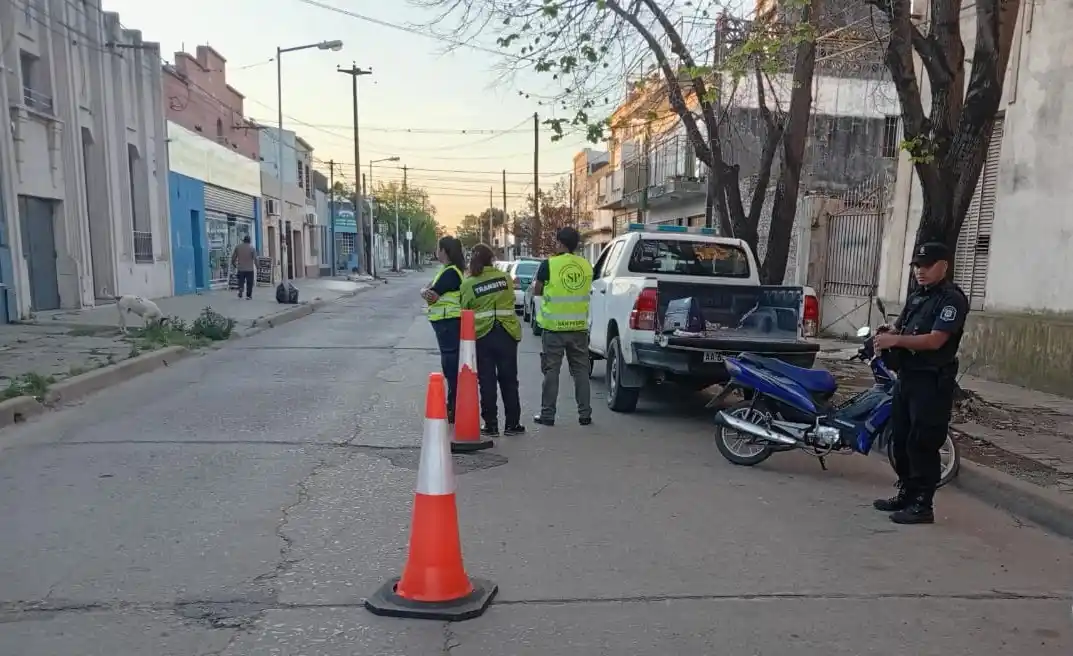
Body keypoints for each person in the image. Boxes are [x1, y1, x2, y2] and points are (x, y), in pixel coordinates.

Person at [872, 241, 968, 525]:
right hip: (908, 377)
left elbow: (935, 339)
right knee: (900, 439)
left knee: (922, 442)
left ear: (944, 266)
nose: (920, 271)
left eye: (927, 266)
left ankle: (923, 505)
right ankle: (907, 493)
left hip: (932, 380)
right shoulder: (918, 297)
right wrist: (889, 331)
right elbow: (901, 326)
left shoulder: (952, 299)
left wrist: (896, 340)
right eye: (917, 266)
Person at [460, 244, 525, 437]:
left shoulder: (468, 284)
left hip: (482, 335)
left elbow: (465, 308)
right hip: (507, 332)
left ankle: (491, 425)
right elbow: (511, 299)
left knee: (486, 381)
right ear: (492, 259)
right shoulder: (505, 278)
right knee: (509, 380)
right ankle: (513, 424)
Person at [532, 227, 594, 427]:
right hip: (578, 328)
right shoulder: (586, 266)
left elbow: (537, 290)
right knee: (581, 372)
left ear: (559, 242)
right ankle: (585, 415)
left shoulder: (549, 264)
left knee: (551, 372)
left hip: (554, 329)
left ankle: (547, 415)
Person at [421, 237, 465, 423]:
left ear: (445, 251)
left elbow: (431, 295)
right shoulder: (447, 271)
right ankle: (453, 407)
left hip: (449, 322)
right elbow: (430, 289)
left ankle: (454, 407)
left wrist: (423, 292)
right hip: (446, 322)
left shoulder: (451, 273)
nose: (436, 252)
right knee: (450, 366)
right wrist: (426, 290)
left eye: (438, 248)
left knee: (451, 367)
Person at [231, 235, 257, 300]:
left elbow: (233, 257)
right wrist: (258, 266)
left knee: (241, 280)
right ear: (250, 241)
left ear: (244, 240)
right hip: (249, 269)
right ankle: (248, 295)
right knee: (249, 283)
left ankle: (241, 288)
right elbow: (255, 258)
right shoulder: (252, 248)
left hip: (241, 268)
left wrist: (233, 263)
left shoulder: (238, 247)